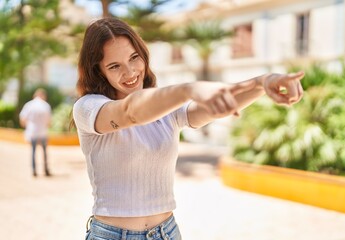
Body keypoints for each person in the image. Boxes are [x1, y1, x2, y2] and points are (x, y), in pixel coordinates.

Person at [72, 17, 305, 240]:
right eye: (114, 66)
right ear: (98, 71)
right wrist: (188, 90)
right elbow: (129, 113)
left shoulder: (164, 106)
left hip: (166, 233)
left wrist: (262, 83)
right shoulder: (89, 108)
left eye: (134, 58)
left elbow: (213, 106)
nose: (131, 72)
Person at [19, 88, 52, 177]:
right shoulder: (46, 105)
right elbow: (49, 122)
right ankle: (46, 169)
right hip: (43, 132)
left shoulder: (29, 105)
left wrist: (26, 126)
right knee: (44, 152)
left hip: (32, 131)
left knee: (33, 152)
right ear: (43, 95)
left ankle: (34, 170)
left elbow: (22, 118)